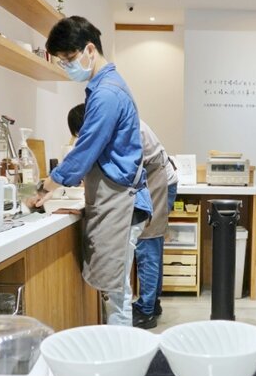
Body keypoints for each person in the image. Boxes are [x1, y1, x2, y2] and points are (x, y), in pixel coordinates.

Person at [33, 16, 151, 326]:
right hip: (118, 201)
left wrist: (48, 185)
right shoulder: (105, 87)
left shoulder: (107, 93)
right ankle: (116, 348)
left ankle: (119, 352)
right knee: (116, 291)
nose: (67, 66)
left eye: (69, 58)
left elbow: (85, 149)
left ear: (89, 49)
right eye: (61, 61)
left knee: (116, 295)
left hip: (121, 203)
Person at [66, 104, 178, 329]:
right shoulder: (114, 124)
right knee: (150, 244)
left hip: (157, 180)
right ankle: (151, 304)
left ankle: (146, 311)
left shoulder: (120, 129)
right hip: (150, 179)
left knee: (148, 245)